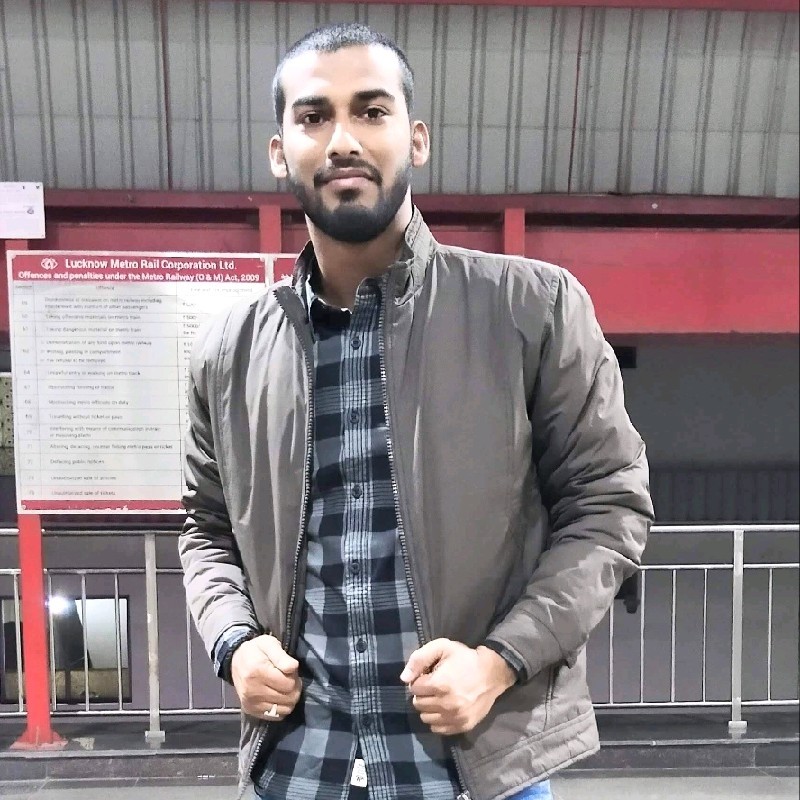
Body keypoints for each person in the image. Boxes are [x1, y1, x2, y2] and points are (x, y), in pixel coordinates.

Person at [179, 22, 653, 800]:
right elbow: (206, 529)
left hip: (480, 767)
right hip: (298, 770)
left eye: (371, 111)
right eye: (313, 117)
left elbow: (608, 509)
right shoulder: (229, 352)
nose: (342, 139)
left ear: (417, 138)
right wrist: (233, 642)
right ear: (279, 152)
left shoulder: (531, 308)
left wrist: (498, 661)